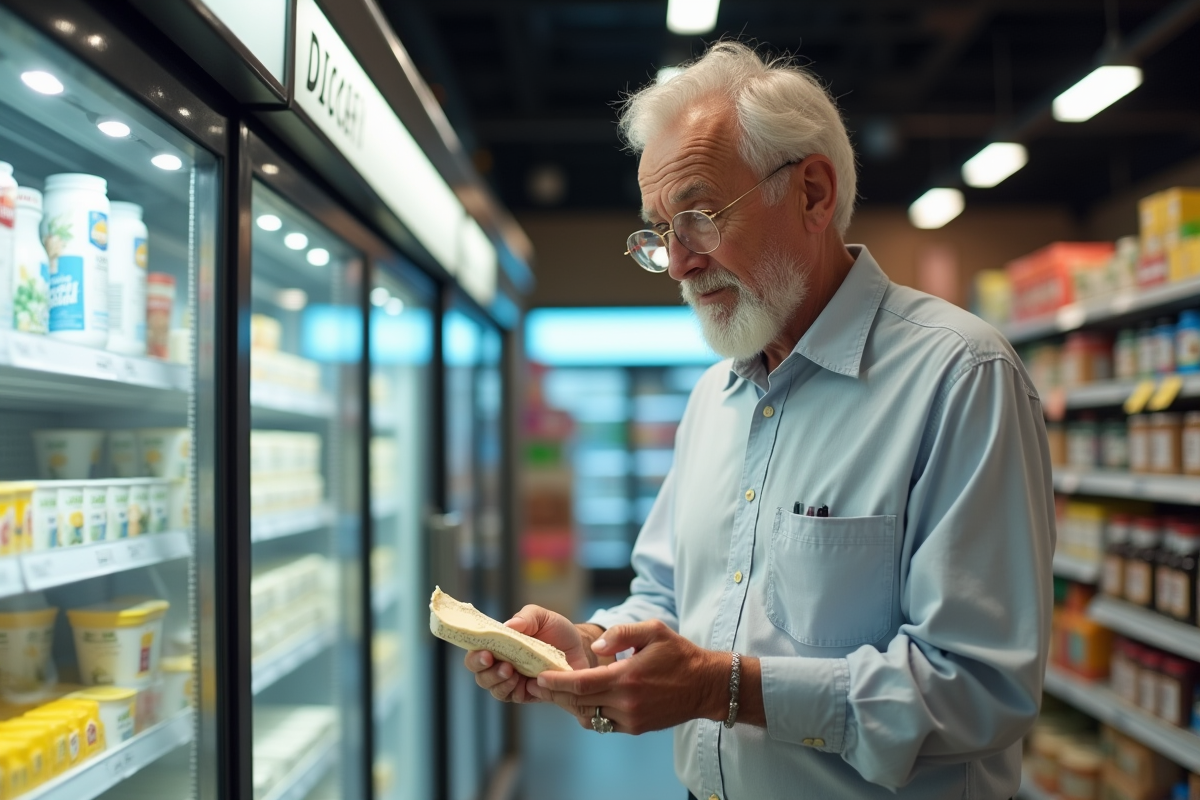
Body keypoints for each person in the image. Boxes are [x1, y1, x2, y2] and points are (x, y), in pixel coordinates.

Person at [465, 41, 1055, 800]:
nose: (677, 262)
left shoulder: (960, 377)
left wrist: (721, 689)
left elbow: (980, 688)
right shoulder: (714, 397)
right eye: (659, 231)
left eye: (700, 217)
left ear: (812, 193)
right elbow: (670, 596)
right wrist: (588, 647)